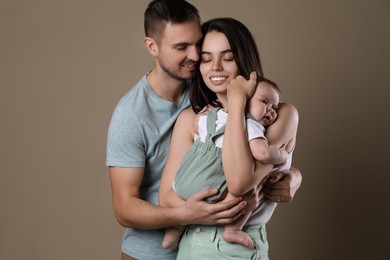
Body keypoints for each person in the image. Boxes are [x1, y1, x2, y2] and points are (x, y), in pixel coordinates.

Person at [107, 0, 301, 259]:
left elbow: (259, 161)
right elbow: (124, 208)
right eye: (181, 47)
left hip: (210, 245)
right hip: (150, 251)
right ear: (152, 46)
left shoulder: (211, 92)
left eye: (197, 45)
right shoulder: (132, 114)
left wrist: (293, 175)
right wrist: (188, 214)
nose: (196, 56)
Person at [158, 17, 299, 259]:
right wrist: (194, 213)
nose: (215, 67)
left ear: (244, 60)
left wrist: (236, 100)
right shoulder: (193, 119)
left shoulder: (278, 114)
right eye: (206, 58)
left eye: (228, 58)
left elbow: (239, 182)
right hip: (190, 244)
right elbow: (167, 197)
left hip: (237, 246)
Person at [162, 78, 288, 249]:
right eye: (265, 102)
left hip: (183, 182)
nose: (270, 110)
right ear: (244, 100)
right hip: (212, 186)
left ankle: (174, 231)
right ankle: (233, 230)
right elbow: (263, 153)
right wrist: (281, 154)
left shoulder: (215, 114)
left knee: (186, 211)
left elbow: (197, 128)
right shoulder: (250, 125)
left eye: (274, 107)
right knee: (249, 193)